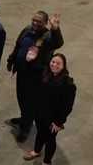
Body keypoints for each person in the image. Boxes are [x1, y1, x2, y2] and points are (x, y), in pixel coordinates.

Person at [6, 11, 64, 142]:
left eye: (39, 21)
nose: (35, 23)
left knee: (30, 102)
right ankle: (24, 118)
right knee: (21, 97)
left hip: (36, 77)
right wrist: (11, 60)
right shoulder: (27, 29)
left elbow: (58, 42)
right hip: (22, 72)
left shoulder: (48, 36)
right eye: (34, 20)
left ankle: (26, 127)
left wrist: (55, 29)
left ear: (45, 23)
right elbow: (18, 45)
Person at [23, 53, 76, 165]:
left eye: (58, 63)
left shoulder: (68, 84)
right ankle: (36, 151)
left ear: (63, 66)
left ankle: (47, 163)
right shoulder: (45, 75)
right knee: (40, 133)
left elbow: (67, 107)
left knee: (50, 140)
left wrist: (59, 122)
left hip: (53, 119)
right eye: (53, 62)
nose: (54, 65)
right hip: (40, 114)